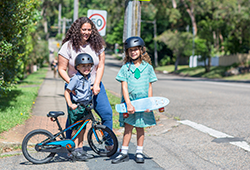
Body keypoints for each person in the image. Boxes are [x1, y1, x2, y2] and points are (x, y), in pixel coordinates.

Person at [58, 17, 114, 156]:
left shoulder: (97, 44)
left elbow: (100, 65)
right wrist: (72, 85)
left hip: (94, 86)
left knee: (106, 113)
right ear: (78, 30)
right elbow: (61, 69)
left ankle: (108, 143)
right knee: (74, 118)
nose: (87, 32)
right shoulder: (68, 46)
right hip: (76, 88)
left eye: (89, 29)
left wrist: (96, 84)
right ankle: (70, 147)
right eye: (84, 29)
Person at [112, 36, 158, 164]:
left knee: (140, 127)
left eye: (136, 50)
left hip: (143, 102)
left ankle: (139, 152)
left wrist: (149, 102)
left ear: (141, 50)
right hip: (130, 102)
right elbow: (124, 87)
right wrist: (128, 103)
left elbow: (149, 85)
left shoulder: (148, 68)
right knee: (128, 127)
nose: (133, 52)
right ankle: (124, 152)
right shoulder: (125, 68)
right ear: (127, 52)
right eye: (130, 50)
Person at [64, 53, 94, 161]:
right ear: (77, 67)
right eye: (83, 66)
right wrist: (70, 104)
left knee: (82, 128)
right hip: (76, 108)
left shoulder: (88, 77)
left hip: (85, 107)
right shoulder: (75, 79)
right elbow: (67, 92)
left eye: (88, 66)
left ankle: (80, 149)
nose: (86, 68)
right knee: (75, 130)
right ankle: (73, 150)